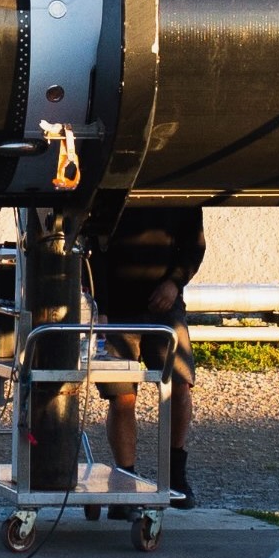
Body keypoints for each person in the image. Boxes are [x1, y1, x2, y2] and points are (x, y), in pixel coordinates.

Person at [88, 206, 206, 506]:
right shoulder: (111, 182)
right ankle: (125, 480)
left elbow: (194, 244)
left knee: (179, 385)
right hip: (114, 310)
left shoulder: (179, 187)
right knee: (122, 396)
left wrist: (175, 282)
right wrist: (99, 306)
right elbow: (91, 246)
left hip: (164, 306)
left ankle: (175, 475)